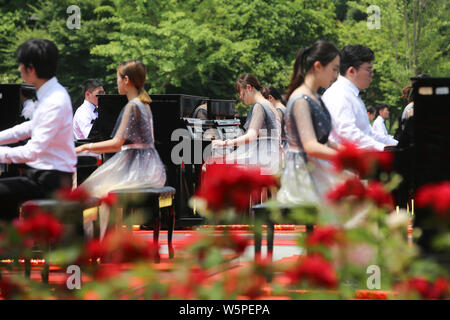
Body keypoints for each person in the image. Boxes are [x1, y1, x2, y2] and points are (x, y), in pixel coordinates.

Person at [75, 60, 166, 239]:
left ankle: (94, 244)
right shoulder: (145, 104)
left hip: (137, 168)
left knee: (87, 192)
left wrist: (85, 146)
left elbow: (116, 144)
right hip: (149, 166)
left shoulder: (133, 106)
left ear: (126, 80)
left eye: (118, 78)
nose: (116, 83)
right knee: (97, 190)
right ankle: (107, 241)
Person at [0, 38, 76, 220]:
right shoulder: (50, 93)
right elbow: (27, 128)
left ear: (31, 69)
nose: (19, 69)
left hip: (51, 181)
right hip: (44, 176)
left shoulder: (54, 100)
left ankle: (11, 245)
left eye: (21, 65)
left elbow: (33, 151)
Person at [277, 40, 342, 205]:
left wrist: (351, 154)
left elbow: (324, 140)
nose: (335, 76)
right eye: (334, 69)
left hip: (315, 167)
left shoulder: (316, 97)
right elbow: (310, 145)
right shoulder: (300, 99)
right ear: (318, 66)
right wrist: (343, 158)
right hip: (303, 175)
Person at [322, 44, 392, 151]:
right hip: (340, 165)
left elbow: (368, 133)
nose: (372, 74)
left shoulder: (352, 94)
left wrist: (393, 144)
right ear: (351, 71)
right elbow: (347, 133)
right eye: (369, 70)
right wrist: (382, 148)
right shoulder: (339, 94)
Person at [211, 74, 282, 175]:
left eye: (241, 92)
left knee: (213, 164)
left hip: (263, 160)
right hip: (272, 160)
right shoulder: (270, 105)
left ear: (249, 88)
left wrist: (225, 143)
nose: (240, 97)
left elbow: (251, 136)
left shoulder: (259, 106)